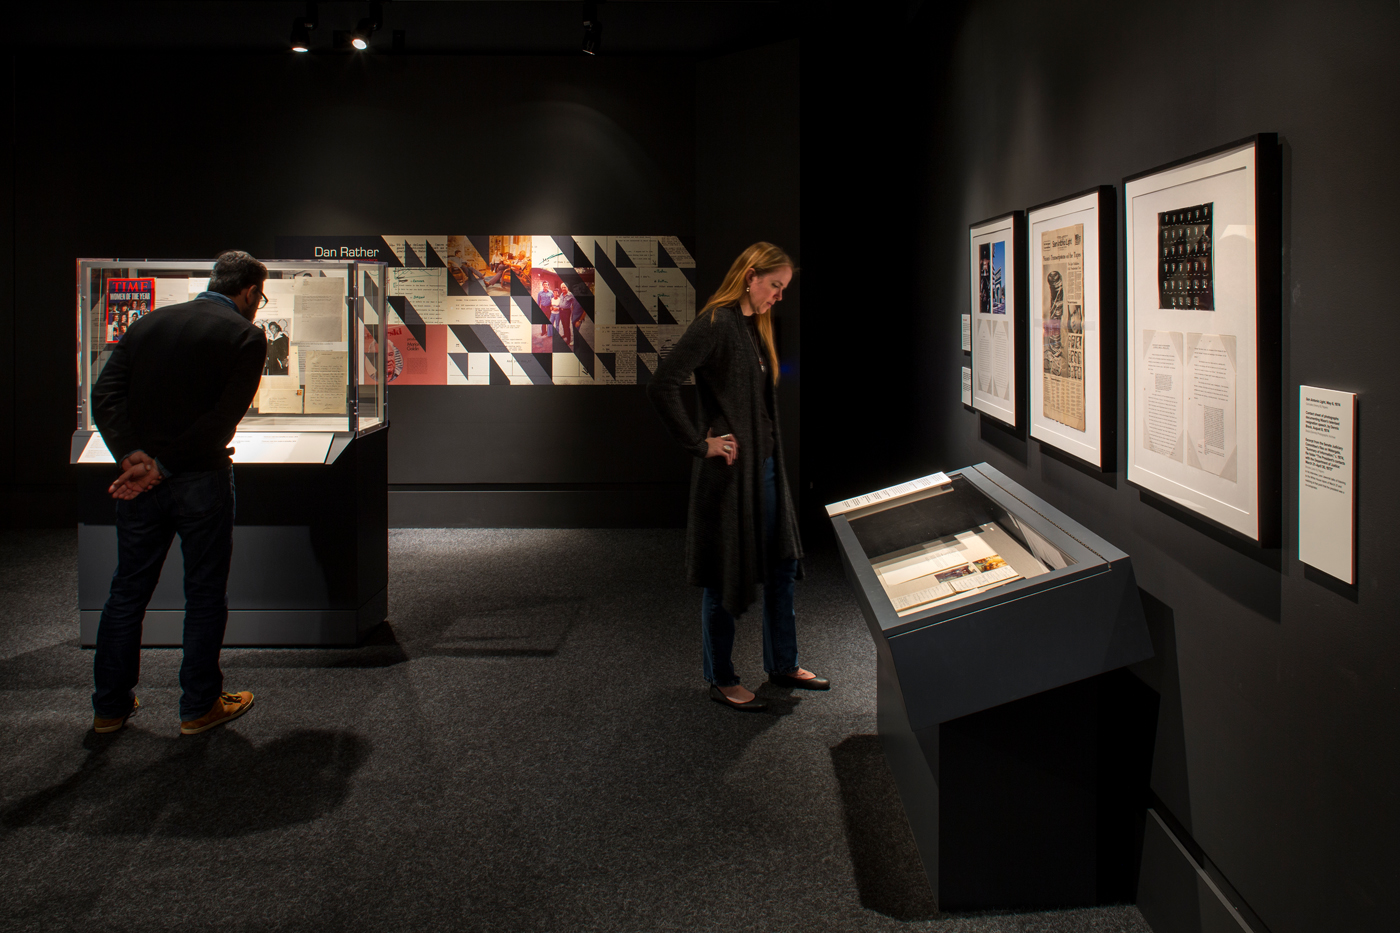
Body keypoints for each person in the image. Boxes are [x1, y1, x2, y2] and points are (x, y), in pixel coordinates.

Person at [89, 250, 269, 736]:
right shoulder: (246, 336)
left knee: (127, 591)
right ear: (250, 292)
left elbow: (103, 395)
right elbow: (221, 419)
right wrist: (163, 467)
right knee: (205, 594)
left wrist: (133, 459)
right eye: (260, 296)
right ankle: (199, 706)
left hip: (141, 483)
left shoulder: (149, 323)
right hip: (200, 480)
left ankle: (109, 706)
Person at [647, 241, 826, 712]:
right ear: (750, 274)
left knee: (782, 564)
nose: (778, 296)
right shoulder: (717, 323)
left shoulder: (754, 327)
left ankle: (783, 663)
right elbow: (663, 382)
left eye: (784, 288)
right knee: (724, 574)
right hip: (729, 479)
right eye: (774, 285)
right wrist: (700, 443)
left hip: (765, 472)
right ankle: (722, 678)